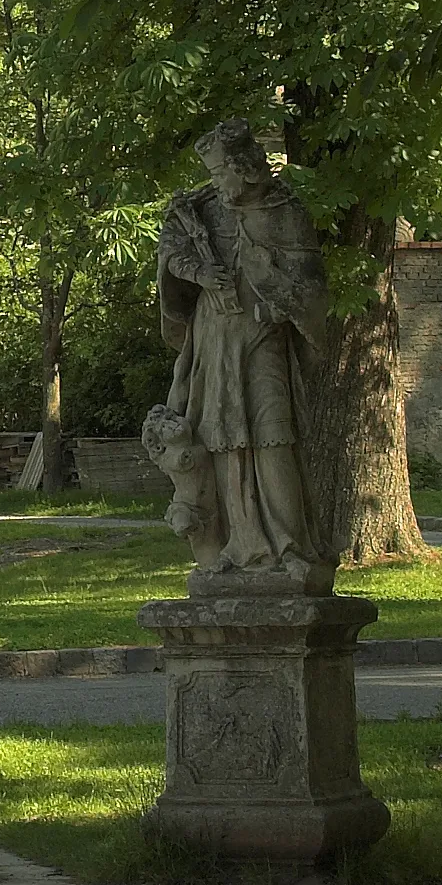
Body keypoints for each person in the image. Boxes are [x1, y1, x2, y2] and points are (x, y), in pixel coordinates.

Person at [155, 119, 329, 583]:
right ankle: (241, 544)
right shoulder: (204, 210)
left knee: (274, 440)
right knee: (222, 441)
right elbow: (170, 250)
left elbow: (310, 287)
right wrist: (197, 274)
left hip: (263, 344)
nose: (214, 184)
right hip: (215, 338)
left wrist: (276, 302)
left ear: (245, 170)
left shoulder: (284, 211)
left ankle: (291, 546)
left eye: (218, 174)